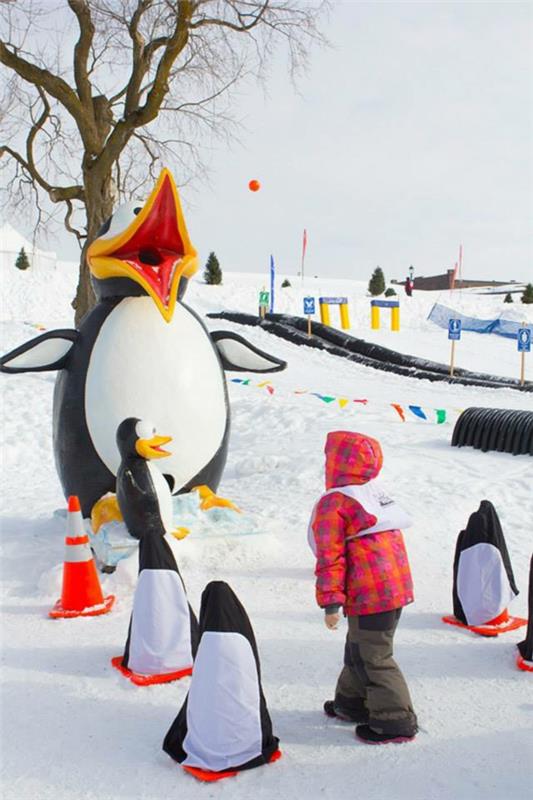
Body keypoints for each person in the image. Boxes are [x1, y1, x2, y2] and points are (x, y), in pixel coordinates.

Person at [309, 430, 418, 744]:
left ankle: (395, 720)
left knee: (375, 654)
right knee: (358, 646)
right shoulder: (372, 491)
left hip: (371, 592)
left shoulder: (336, 502)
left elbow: (330, 555)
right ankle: (351, 702)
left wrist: (330, 602)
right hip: (392, 588)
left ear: (337, 463)